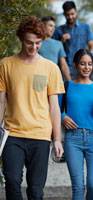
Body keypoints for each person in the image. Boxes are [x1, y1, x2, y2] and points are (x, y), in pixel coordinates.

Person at [0, 16, 65, 200]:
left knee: (36, 192)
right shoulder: (6, 65)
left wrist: (57, 139)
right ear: (21, 38)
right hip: (12, 134)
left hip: (40, 136)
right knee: (12, 182)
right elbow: (1, 102)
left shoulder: (50, 68)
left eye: (38, 43)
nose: (34, 47)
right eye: (29, 43)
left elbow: (54, 107)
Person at [61, 49, 93, 200]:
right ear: (75, 65)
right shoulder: (67, 85)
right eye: (83, 64)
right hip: (73, 139)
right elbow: (56, 110)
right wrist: (63, 116)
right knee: (77, 187)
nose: (86, 67)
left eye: (90, 64)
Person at [52, 1, 93, 79]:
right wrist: (61, 41)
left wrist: (88, 64)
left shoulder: (85, 27)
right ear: (64, 14)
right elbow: (53, 51)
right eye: (67, 15)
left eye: (72, 14)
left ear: (76, 12)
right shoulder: (58, 30)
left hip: (81, 69)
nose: (70, 17)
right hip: (64, 70)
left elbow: (92, 46)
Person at [38, 16, 71, 81]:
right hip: (39, 78)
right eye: (50, 26)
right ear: (43, 26)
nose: (53, 28)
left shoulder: (58, 44)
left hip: (54, 79)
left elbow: (63, 65)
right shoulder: (36, 43)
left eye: (54, 26)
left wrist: (70, 82)